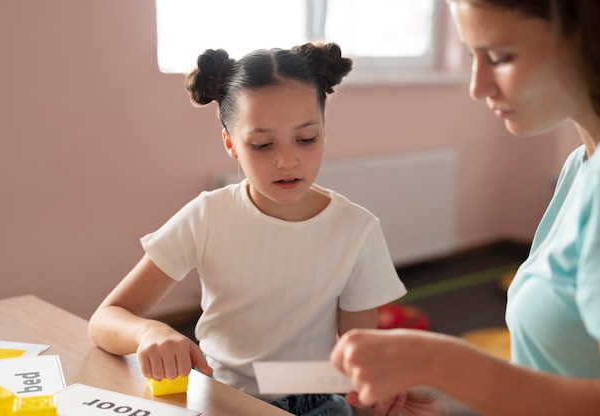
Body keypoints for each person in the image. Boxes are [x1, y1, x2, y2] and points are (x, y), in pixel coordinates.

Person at [88, 42, 407, 416]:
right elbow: (105, 319)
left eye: (306, 139)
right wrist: (150, 332)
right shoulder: (208, 216)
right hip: (220, 398)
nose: (287, 160)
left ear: (324, 132)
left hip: (318, 402)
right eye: (261, 144)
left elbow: (359, 360)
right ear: (231, 144)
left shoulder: (357, 229)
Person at [330, 0, 600, 415]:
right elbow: (561, 374)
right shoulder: (581, 164)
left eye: (498, 57)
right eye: (472, 55)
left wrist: (440, 362)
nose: (477, 86)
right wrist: (450, 398)